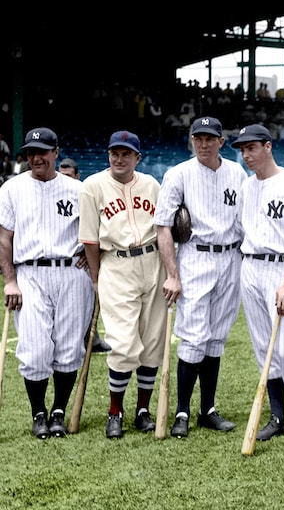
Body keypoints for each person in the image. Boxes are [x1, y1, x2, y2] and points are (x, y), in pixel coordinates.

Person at [153, 117, 247, 438]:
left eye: (210, 138)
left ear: (222, 141)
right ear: (191, 140)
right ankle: (182, 410)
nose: (203, 144)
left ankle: (208, 409)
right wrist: (172, 275)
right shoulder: (178, 174)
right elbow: (164, 227)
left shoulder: (236, 173)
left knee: (216, 337)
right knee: (194, 338)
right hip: (195, 256)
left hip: (230, 257)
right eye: (198, 138)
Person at [0, 127, 94, 438]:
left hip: (70, 272)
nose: (36, 158)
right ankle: (38, 412)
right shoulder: (11, 189)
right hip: (29, 273)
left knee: (68, 349)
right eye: (30, 153)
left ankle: (58, 411)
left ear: (56, 152)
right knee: (35, 349)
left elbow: (94, 232)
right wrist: (10, 281)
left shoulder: (77, 188)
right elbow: (4, 239)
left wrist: (89, 255)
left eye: (42, 151)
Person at [231, 124, 284, 447]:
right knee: (264, 349)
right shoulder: (245, 187)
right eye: (242, 150)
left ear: (268, 146)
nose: (246, 155)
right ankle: (278, 418)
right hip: (251, 265)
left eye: (251, 148)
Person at [78, 130, 167, 439]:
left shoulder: (152, 185)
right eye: (115, 152)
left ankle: (143, 410)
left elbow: (165, 229)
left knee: (152, 341)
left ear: (137, 158)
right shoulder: (92, 186)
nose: (119, 158)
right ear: (108, 155)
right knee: (124, 342)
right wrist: (95, 274)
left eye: (126, 154)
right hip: (116, 262)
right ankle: (115, 411)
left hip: (154, 261)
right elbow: (89, 238)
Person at [58, 158, 111, 354]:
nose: (66, 180)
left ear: (77, 176)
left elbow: (101, 225)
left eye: (69, 176)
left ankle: (92, 337)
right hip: (59, 258)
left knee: (88, 300)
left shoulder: (84, 192)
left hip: (82, 257)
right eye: (62, 175)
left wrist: (90, 250)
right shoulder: (52, 192)